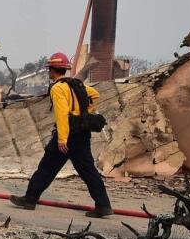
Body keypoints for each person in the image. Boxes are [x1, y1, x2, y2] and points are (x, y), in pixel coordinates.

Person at [9, 52, 113, 217]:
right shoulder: (75, 84)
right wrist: (83, 112)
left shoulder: (58, 88)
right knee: (88, 171)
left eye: (49, 69)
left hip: (68, 135)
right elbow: (95, 94)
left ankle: (29, 200)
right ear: (64, 69)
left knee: (46, 168)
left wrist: (62, 139)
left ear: (52, 70)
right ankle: (104, 205)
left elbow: (62, 114)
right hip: (82, 134)